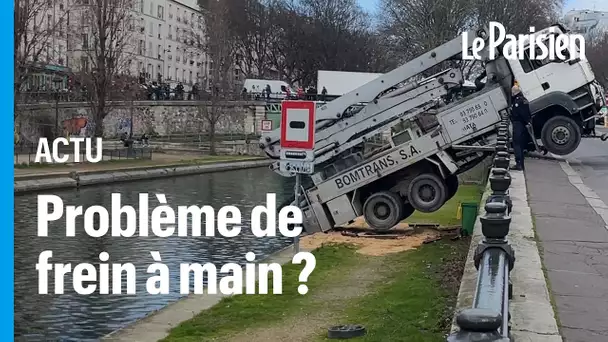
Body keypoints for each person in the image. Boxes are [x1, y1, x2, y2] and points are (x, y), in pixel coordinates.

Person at [510, 84, 531, 171]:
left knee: (517, 144)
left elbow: (519, 113)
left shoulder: (518, 102)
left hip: (518, 124)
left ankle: (519, 164)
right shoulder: (524, 100)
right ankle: (521, 164)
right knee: (521, 145)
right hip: (523, 124)